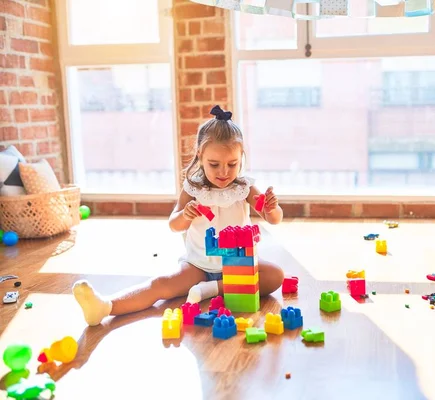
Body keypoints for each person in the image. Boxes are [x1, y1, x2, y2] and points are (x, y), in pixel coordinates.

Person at [72, 105, 285, 326]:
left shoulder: (245, 188)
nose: (224, 172)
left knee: (275, 275)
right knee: (161, 285)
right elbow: (174, 225)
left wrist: (271, 208)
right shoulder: (193, 189)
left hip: (240, 266)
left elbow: (274, 218)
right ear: (200, 156)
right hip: (199, 267)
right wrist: (186, 215)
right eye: (214, 164)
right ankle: (106, 306)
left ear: (241, 158)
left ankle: (212, 290)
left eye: (232, 164)